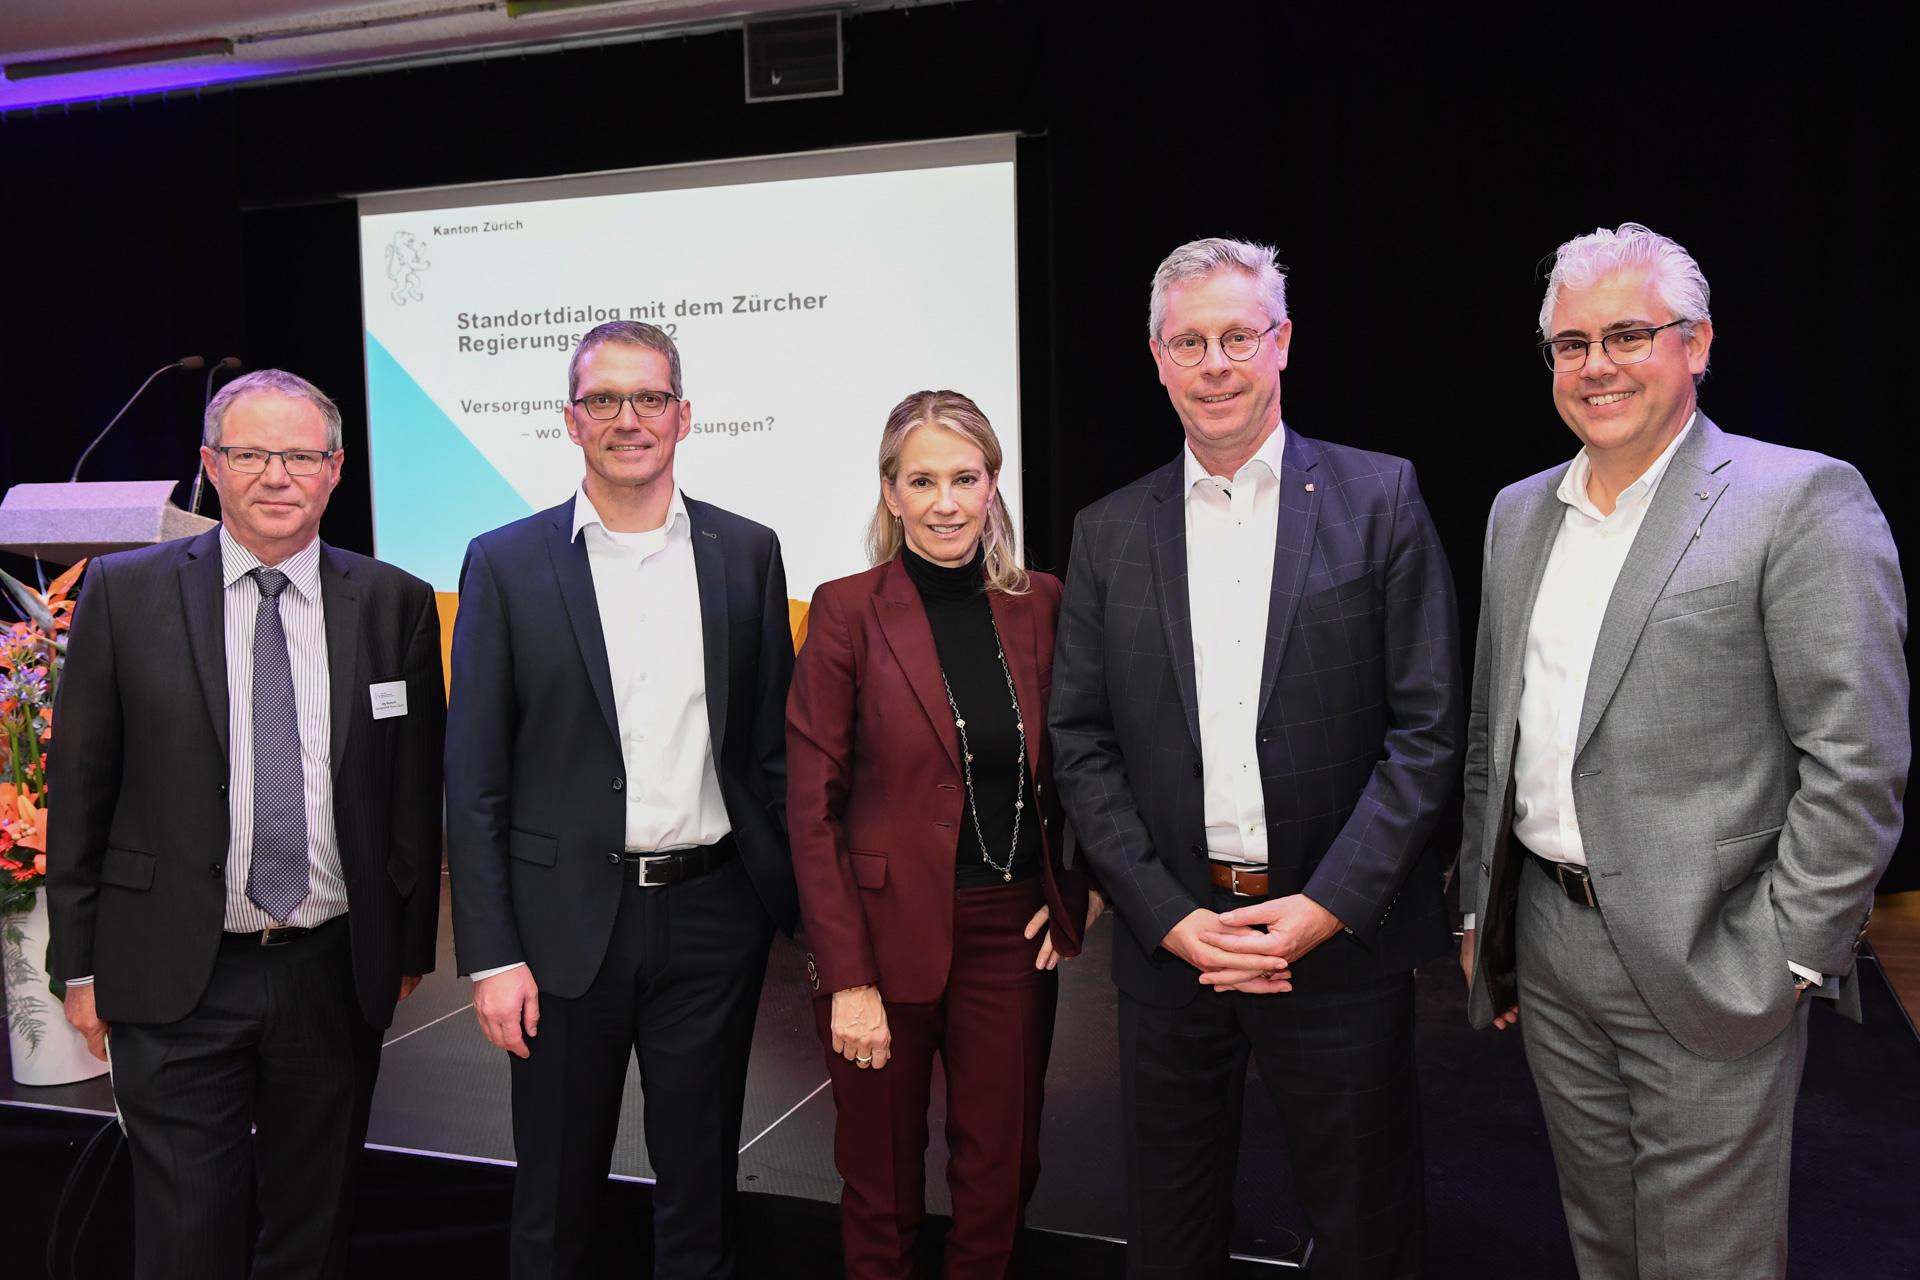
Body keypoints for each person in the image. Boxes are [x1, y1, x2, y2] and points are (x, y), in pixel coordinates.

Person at [1456, 222, 1907, 1279]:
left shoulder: (1798, 501)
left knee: (1712, 1260)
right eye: (1571, 343)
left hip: (1715, 953)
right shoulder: (1518, 514)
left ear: (1696, 344)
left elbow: (1859, 753)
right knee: (1604, 1245)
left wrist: (1790, 953)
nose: (1597, 364)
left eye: (1628, 334)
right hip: (1552, 951)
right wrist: (1483, 909)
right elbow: (1494, 730)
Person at [1048, 237, 1462, 1279]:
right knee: (1170, 1236)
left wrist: (1325, 906)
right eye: (1191, 341)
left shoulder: (1381, 498)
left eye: (1239, 335)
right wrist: (1165, 914)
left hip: (1335, 943)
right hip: (1173, 946)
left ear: (1283, 342)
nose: (1216, 362)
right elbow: (1083, 742)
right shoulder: (1107, 532)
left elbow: (1428, 731)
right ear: (1157, 358)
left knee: (1368, 1232)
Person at [47, 369, 446, 1278]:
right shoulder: (124, 593)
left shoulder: (394, 602)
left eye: (301, 455)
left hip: (330, 969)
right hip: (173, 971)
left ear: (335, 469)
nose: (277, 475)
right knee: (189, 1238)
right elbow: (81, 792)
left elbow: (414, 792)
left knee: (313, 1230)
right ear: (209, 466)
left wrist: (408, 947)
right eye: (251, 454)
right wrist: (79, 965)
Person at [445, 320, 796, 1278]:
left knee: (700, 1195)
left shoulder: (747, 553)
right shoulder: (506, 563)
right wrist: (491, 956)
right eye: (604, 400)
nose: (628, 419)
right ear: (571, 420)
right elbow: (473, 777)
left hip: (712, 921)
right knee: (553, 1202)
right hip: (559, 936)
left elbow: (773, 754)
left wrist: (804, 918)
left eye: (649, 398)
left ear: (685, 415)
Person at [787, 390, 1102, 1278]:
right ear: (890, 493)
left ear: (993, 485)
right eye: (922, 480)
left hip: (1009, 936)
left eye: (965, 478)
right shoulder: (846, 611)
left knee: (1000, 1179)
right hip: (878, 947)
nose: (946, 502)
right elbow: (810, 808)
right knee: (881, 1188)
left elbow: (1084, 761)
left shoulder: (1043, 602)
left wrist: (1075, 889)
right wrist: (846, 978)